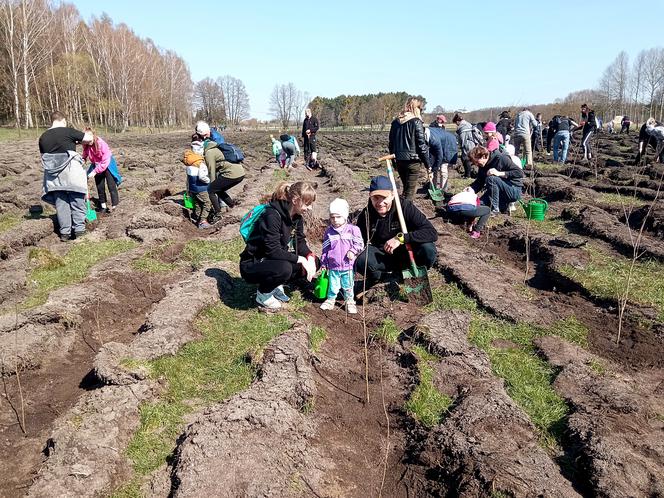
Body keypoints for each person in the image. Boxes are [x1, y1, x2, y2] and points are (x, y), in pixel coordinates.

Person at [240, 181, 318, 310]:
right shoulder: (271, 215)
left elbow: (300, 241)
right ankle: (263, 294)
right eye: (307, 204)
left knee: (315, 262)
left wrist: (309, 256)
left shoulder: (297, 217)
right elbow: (273, 251)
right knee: (284, 268)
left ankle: (275, 284)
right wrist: (300, 259)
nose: (309, 208)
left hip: (273, 260)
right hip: (253, 264)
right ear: (295, 200)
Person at [355, 176, 438, 288]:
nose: (380, 203)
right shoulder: (366, 215)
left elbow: (431, 232)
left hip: (408, 254)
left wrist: (400, 238)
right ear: (370, 197)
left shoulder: (405, 207)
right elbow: (357, 242)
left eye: (384, 198)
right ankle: (380, 279)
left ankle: (416, 275)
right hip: (384, 256)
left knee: (428, 249)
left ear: (392, 195)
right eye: (376, 198)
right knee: (361, 260)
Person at [38, 111, 93, 241]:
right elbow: (89, 138)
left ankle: (65, 233)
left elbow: (44, 157)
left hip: (54, 177)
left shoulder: (43, 137)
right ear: (63, 121)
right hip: (71, 173)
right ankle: (79, 231)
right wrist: (84, 136)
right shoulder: (67, 131)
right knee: (77, 200)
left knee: (61, 204)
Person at [319, 198, 364, 314]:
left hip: (347, 265)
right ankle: (330, 300)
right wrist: (324, 262)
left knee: (348, 285)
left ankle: (350, 301)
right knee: (333, 286)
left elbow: (360, 243)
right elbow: (325, 249)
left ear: (345, 216)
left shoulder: (353, 230)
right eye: (332, 217)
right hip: (333, 266)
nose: (335, 220)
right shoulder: (329, 231)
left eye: (338, 217)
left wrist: (353, 251)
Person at [198, 121, 245, 228]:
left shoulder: (209, 153)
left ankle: (218, 214)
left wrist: (210, 184)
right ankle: (232, 205)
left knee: (211, 190)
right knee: (219, 189)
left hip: (232, 173)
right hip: (240, 172)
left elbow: (211, 171)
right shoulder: (217, 145)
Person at [388, 97, 430, 200]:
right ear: (417, 108)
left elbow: (391, 144)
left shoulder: (395, 123)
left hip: (399, 160)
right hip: (413, 161)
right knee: (410, 193)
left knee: (406, 190)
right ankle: (406, 213)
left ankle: (401, 210)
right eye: (421, 109)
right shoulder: (416, 122)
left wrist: (394, 162)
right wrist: (428, 164)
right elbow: (421, 145)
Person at [468, 146, 524, 214]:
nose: (476, 165)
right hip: (498, 192)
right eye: (475, 163)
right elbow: (480, 182)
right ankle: (503, 206)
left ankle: (495, 209)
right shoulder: (482, 165)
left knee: (491, 179)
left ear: (483, 156)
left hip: (513, 189)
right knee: (479, 204)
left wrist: (499, 173)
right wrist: (471, 189)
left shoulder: (501, 158)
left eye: (477, 162)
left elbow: (520, 173)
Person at [82, 128, 121, 214]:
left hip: (107, 165)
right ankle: (103, 206)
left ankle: (115, 206)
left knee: (111, 186)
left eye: (89, 141)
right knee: (100, 187)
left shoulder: (101, 144)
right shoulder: (86, 145)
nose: (89, 143)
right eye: (86, 142)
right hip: (96, 164)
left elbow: (105, 161)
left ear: (93, 136)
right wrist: (83, 159)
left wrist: (95, 171)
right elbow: (85, 153)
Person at [182, 136, 212, 227]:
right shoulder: (200, 163)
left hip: (192, 187)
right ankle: (203, 221)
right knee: (207, 203)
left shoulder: (189, 161)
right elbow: (202, 177)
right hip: (200, 187)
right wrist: (209, 181)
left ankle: (196, 218)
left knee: (198, 203)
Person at [426, 125, 458, 191]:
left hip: (448, 146)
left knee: (443, 169)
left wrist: (434, 168)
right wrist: (429, 167)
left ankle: (443, 190)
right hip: (439, 144)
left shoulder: (434, 139)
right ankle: (432, 189)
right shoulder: (423, 135)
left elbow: (439, 156)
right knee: (432, 168)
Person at [453, 113, 483, 178]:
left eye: (456, 123)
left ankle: (468, 175)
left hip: (468, 145)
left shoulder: (462, 127)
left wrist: (460, 147)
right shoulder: (468, 124)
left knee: (466, 159)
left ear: (457, 121)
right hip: (473, 144)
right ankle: (471, 173)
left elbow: (462, 140)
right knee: (471, 159)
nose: (456, 125)